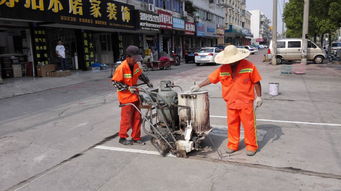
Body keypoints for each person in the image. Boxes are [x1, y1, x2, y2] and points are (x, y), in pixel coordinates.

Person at [191, 45, 263, 156]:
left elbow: (256, 82)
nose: (229, 62)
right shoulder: (223, 69)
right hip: (231, 102)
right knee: (232, 125)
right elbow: (211, 78)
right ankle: (233, 145)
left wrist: (259, 96)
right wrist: (199, 86)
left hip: (245, 103)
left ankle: (251, 146)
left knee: (249, 126)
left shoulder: (249, 66)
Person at [112, 45, 153, 145]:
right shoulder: (121, 67)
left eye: (137, 59)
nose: (136, 61)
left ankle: (136, 137)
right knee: (126, 118)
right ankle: (122, 137)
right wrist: (127, 87)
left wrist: (147, 81)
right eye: (134, 59)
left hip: (135, 95)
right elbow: (115, 83)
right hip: (126, 98)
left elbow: (140, 74)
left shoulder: (135, 65)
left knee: (137, 117)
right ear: (128, 57)